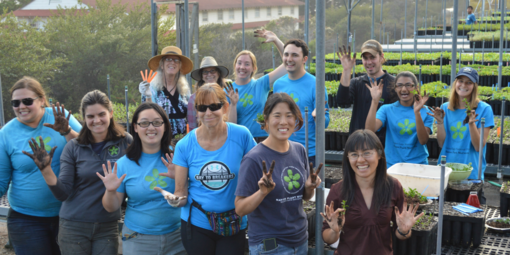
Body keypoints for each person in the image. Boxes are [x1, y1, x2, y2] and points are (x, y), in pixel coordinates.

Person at [33, 90, 132, 255]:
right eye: (90, 117)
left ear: (111, 113)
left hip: (107, 226)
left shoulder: (126, 142)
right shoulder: (73, 147)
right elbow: (63, 193)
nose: (97, 120)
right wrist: (46, 170)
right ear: (84, 118)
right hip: (74, 226)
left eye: (101, 114)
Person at [171, 84, 257, 255]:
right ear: (196, 111)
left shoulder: (242, 135)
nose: (208, 113)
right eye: (202, 108)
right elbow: (180, 193)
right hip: (197, 224)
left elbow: (257, 170)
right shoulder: (184, 145)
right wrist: (173, 200)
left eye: (214, 106)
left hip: (233, 222)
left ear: (225, 107)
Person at [0, 76, 81, 254]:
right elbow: (1, 180)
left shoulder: (59, 116)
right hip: (26, 219)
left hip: (70, 214)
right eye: (15, 103)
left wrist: (67, 131)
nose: (21, 106)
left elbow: (88, 149)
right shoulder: (6, 134)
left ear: (42, 100)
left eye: (27, 101)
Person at [235, 93, 322, 255]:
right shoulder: (254, 159)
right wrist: (262, 193)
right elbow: (239, 209)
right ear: (266, 120)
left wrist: (310, 187)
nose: (283, 122)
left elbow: (303, 197)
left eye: (289, 116)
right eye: (277, 116)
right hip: (270, 246)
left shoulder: (299, 150)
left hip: (300, 240)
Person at [98, 102, 185, 255]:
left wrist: (180, 178)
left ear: (165, 126)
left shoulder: (178, 156)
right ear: (136, 127)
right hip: (138, 240)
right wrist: (110, 191)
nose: (151, 128)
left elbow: (190, 194)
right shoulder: (123, 164)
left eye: (157, 122)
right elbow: (111, 207)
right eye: (144, 123)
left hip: (177, 237)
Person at [321, 129, 424, 255]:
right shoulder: (338, 190)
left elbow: (401, 233)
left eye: (367, 153)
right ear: (348, 158)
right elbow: (327, 237)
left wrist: (404, 230)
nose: (360, 160)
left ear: (379, 154)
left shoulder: (393, 187)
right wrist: (334, 231)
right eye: (354, 154)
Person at [429, 67, 494, 181]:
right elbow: (441, 143)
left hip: (471, 173)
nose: (463, 85)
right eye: (460, 81)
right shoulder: (446, 107)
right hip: (446, 170)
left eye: (469, 82)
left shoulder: (484, 109)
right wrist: (440, 122)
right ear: (455, 83)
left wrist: (471, 124)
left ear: (474, 86)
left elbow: (478, 146)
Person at [273, 39, 330, 166]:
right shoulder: (278, 84)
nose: (289, 59)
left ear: (304, 59)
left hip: (308, 154)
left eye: (295, 55)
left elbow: (325, 123)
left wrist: (318, 117)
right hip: (282, 150)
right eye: (286, 54)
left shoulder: (316, 85)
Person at [229, 29, 288, 143]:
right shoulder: (228, 89)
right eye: (239, 63)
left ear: (253, 69)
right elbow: (230, 126)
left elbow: (287, 64)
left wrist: (276, 40)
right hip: (241, 141)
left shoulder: (261, 84)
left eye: (247, 64)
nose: (242, 67)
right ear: (235, 65)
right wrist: (233, 104)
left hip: (264, 139)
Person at [365, 71, 433, 168]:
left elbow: (423, 140)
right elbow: (369, 130)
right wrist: (375, 101)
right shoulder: (386, 109)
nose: (404, 89)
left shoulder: (426, 111)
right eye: (399, 85)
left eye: (408, 85)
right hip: (392, 165)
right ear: (395, 88)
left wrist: (417, 113)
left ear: (416, 88)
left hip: (418, 165)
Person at [336, 40, 396, 144]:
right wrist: (346, 70)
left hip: (384, 145)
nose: (369, 62)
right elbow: (342, 102)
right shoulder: (357, 83)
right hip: (358, 143)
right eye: (365, 58)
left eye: (372, 57)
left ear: (381, 57)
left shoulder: (393, 83)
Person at [139, 46, 193, 137]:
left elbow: (190, 115)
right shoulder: (151, 88)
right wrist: (148, 96)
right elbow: (147, 115)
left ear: (179, 66)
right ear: (162, 65)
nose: (172, 62)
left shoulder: (184, 89)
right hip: (159, 138)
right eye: (168, 59)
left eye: (176, 60)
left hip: (183, 140)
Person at [188, 56, 231, 130]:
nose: (209, 74)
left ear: (218, 74)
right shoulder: (193, 99)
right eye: (205, 72)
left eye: (212, 71)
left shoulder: (228, 94)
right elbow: (192, 127)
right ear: (201, 76)